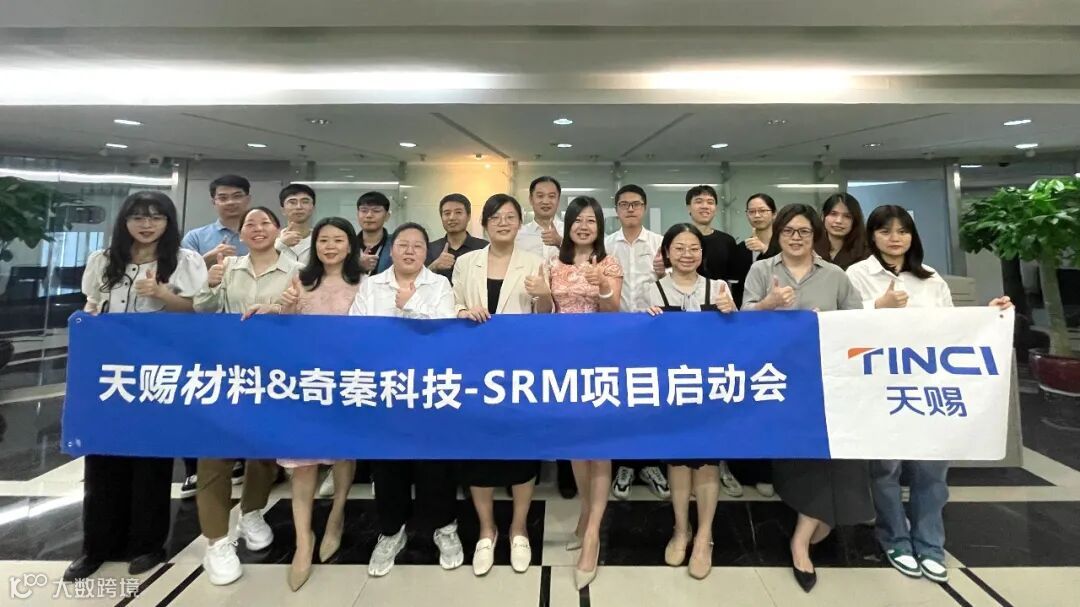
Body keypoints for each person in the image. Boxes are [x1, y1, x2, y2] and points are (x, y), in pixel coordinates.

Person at [847, 205, 1013, 584]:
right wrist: (878, 306)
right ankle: (895, 538)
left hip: (927, 388)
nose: (895, 238)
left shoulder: (931, 278)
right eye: (885, 231)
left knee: (931, 469)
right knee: (885, 468)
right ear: (871, 236)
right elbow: (844, 325)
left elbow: (952, 329)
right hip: (880, 387)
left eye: (902, 231)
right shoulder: (856, 275)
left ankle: (930, 543)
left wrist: (989, 316)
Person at [65, 191, 207, 582]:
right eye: (138, 217)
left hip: (156, 370)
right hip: (108, 371)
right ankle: (97, 546)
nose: (147, 225)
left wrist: (162, 295)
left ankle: (147, 544)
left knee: (151, 459)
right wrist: (88, 320)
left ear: (169, 223)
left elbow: (198, 311)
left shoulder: (184, 261)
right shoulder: (103, 260)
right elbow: (92, 304)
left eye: (156, 217)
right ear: (124, 221)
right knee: (102, 458)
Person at [741, 203, 870, 593]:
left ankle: (801, 537)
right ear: (778, 234)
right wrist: (768, 305)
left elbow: (856, 325)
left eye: (804, 231)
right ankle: (813, 518)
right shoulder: (762, 270)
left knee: (832, 454)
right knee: (796, 459)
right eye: (788, 231)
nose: (795, 238)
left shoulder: (835, 275)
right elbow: (741, 323)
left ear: (816, 235)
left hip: (825, 380)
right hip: (777, 380)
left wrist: (825, 323)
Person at [243, 217, 361, 591]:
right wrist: (274, 309)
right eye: (324, 240)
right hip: (306, 383)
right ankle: (302, 540)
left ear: (350, 245)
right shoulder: (299, 279)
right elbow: (286, 320)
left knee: (343, 455)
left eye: (338, 240)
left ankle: (337, 516)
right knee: (303, 462)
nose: (330, 246)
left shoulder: (365, 283)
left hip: (347, 383)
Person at [192, 206, 301, 586]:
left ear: (277, 229)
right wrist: (209, 284)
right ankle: (216, 541)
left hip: (274, 374)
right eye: (249, 224)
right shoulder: (228, 269)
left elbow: (305, 320)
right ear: (240, 234)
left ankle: (252, 511)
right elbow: (202, 309)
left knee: (264, 453)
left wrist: (286, 309)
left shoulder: (297, 269)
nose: (257, 229)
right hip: (228, 372)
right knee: (215, 455)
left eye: (264, 223)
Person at [348, 222, 461, 577]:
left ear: (427, 252)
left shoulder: (439, 285)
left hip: (429, 388)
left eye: (417, 245)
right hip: (386, 389)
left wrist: (411, 306)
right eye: (403, 244)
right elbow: (357, 332)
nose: (410, 251)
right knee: (388, 466)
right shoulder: (371, 286)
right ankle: (391, 531)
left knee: (435, 465)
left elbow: (445, 332)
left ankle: (445, 526)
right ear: (392, 249)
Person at [453, 194, 553, 577]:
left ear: (519, 223)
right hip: (474, 369)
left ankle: (518, 528)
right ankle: (486, 530)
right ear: (485, 223)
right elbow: (451, 304)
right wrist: (463, 311)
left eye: (510, 216)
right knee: (478, 450)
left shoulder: (534, 261)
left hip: (518, 370)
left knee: (520, 451)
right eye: (495, 217)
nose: (503, 222)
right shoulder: (466, 262)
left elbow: (545, 317)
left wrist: (544, 296)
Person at [642, 223, 737, 580]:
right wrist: (646, 322)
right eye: (679, 248)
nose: (686, 254)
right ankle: (681, 529)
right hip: (672, 390)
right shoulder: (652, 290)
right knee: (679, 462)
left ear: (702, 253)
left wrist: (732, 314)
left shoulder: (719, 288)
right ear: (666, 252)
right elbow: (639, 343)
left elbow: (737, 341)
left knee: (708, 463)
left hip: (710, 391)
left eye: (694, 248)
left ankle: (704, 536)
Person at [549, 196, 623, 590]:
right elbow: (545, 314)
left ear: (599, 227)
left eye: (591, 220)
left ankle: (592, 533)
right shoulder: (554, 263)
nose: (583, 226)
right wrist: (539, 295)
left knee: (600, 446)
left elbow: (615, 310)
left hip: (600, 360)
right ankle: (585, 512)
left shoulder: (609, 263)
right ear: (568, 226)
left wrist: (602, 285)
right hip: (563, 362)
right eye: (577, 220)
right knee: (576, 444)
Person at [179, 173, 253, 496]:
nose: (230, 202)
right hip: (208, 330)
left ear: (247, 199)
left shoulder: (259, 231)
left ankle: (241, 458)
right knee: (204, 395)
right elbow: (179, 278)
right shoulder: (197, 237)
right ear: (214, 201)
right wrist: (205, 261)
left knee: (244, 394)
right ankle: (196, 468)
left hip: (250, 331)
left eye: (237, 196)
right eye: (223, 197)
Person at [603, 184, 670, 501]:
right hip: (614, 332)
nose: (630, 209)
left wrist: (665, 270)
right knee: (620, 399)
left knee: (651, 397)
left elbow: (675, 282)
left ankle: (651, 463)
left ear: (644, 208)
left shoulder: (659, 243)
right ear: (616, 209)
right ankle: (625, 465)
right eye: (624, 204)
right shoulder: (605, 245)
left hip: (652, 332)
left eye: (636, 204)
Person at [684, 184, 743, 498]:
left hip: (718, 327)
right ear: (689, 207)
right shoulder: (680, 237)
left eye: (710, 201)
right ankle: (685, 465)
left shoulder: (726, 241)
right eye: (699, 201)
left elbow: (734, 283)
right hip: (685, 334)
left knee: (718, 402)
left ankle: (721, 465)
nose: (704, 206)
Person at [728, 193, 778, 498]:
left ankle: (772, 470)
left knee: (771, 398)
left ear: (774, 213)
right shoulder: (740, 248)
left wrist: (767, 251)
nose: (757, 215)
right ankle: (746, 469)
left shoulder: (783, 247)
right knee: (745, 398)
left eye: (763, 210)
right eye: (752, 211)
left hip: (779, 334)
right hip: (745, 331)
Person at [426, 193, 489, 282]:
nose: (452, 217)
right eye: (447, 213)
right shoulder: (429, 249)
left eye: (458, 212)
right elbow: (416, 282)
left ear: (468, 216)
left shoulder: (484, 248)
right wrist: (434, 266)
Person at [815, 192, 870, 270]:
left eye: (847, 216)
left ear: (855, 220)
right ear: (823, 216)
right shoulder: (811, 249)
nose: (839, 221)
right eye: (833, 214)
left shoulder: (866, 254)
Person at [516, 176, 563, 260]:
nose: (546, 201)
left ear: (558, 200)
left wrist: (560, 242)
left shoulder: (569, 232)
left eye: (551, 196)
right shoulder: (518, 234)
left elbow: (581, 258)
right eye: (540, 196)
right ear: (531, 199)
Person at [276, 183, 317, 265]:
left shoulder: (319, 240)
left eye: (305, 202)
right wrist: (281, 245)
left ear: (313, 208)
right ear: (283, 210)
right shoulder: (272, 240)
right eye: (292, 202)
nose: (299, 207)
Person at [356, 191, 394, 276]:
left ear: (387, 216)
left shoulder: (396, 244)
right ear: (357, 215)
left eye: (376, 211)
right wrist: (356, 267)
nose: (369, 215)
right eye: (364, 210)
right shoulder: (348, 245)